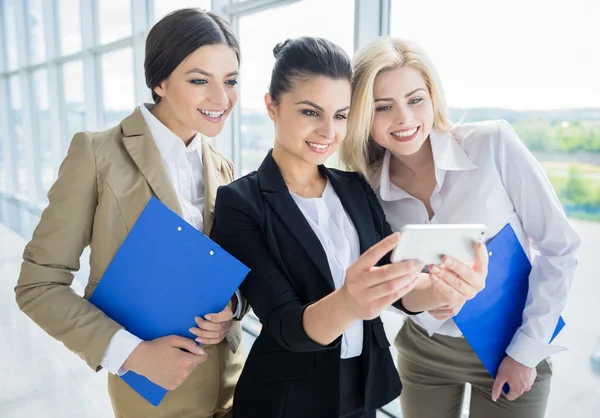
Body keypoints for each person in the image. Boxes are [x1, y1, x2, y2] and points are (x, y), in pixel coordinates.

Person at [210, 36, 487, 418]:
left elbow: (400, 289)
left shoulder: (355, 188)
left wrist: (443, 289)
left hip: (361, 392)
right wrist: (350, 302)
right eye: (311, 112)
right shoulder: (240, 203)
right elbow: (284, 324)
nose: (328, 131)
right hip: (285, 402)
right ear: (272, 107)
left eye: (340, 115)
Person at [15, 8, 247, 418]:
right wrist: (132, 353)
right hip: (153, 399)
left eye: (229, 81)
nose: (221, 99)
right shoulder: (98, 154)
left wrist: (234, 305)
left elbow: (233, 270)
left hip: (235, 388)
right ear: (159, 81)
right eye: (199, 80)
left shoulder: (224, 167)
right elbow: (38, 284)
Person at [341, 36, 581, 418]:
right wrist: (425, 305)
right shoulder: (366, 189)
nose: (404, 118)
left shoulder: (492, 144)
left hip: (509, 342)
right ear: (361, 116)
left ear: (433, 97)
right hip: (424, 353)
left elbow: (560, 247)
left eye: (415, 99)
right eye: (382, 107)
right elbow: (388, 284)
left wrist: (526, 350)